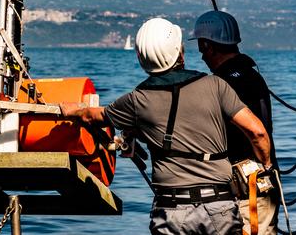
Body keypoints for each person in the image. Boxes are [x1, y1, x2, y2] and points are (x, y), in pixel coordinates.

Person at [61, 17, 272, 235]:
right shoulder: (216, 85)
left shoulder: (136, 101)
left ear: (140, 57)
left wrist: (70, 110)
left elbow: (91, 116)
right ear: (179, 52)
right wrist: (265, 165)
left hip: (171, 209)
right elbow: (257, 132)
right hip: (218, 206)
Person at [191, 10, 278, 235]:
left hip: (246, 187)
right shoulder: (253, 76)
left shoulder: (221, 84)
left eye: (202, 47)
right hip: (259, 185)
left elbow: (257, 133)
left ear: (208, 45)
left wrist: (263, 167)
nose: (201, 56)